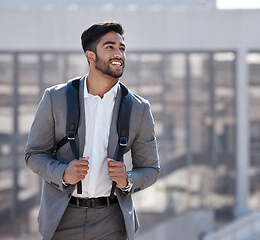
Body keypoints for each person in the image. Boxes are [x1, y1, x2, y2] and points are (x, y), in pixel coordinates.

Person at [25, 22, 160, 240]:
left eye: (122, 48)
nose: (119, 54)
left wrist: (127, 180)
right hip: (62, 218)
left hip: (113, 221)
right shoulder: (55, 98)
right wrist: (63, 174)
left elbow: (151, 169)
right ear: (90, 56)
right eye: (109, 47)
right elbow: (33, 154)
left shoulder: (139, 108)